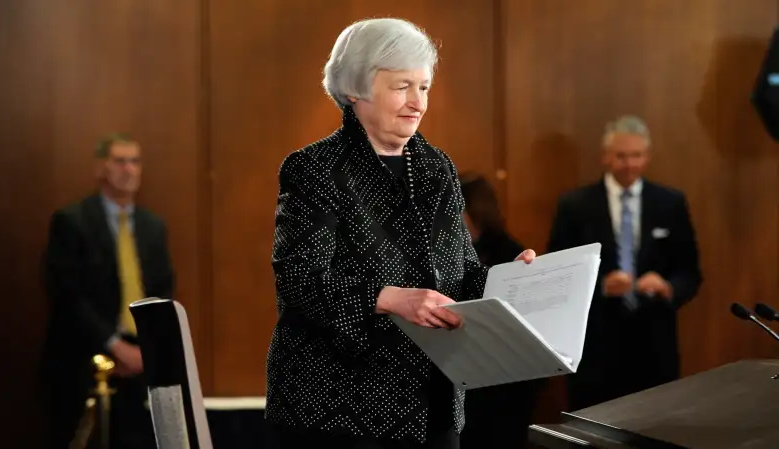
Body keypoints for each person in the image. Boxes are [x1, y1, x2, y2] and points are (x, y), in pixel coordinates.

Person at [266, 18, 536, 449]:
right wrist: (390, 297)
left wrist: (512, 280)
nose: (417, 103)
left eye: (424, 87)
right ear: (356, 88)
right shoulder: (313, 169)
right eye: (402, 87)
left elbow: (461, 273)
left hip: (436, 401)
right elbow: (299, 281)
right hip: (338, 409)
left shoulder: (437, 167)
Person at [547, 115, 702, 411]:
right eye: (621, 156)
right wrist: (601, 285)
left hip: (655, 346)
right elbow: (558, 273)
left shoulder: (670, 203)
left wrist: (668, 287)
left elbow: (691, 272)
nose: (629, 164)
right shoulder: (575, 205)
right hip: (596, 347)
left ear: (648, 156)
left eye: (637, 156)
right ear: (605, 156)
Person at [40, 133, 175, 449]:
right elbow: (67, 296)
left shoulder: (153, 226)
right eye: (120, 161)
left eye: (135, 161)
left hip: (142, 365)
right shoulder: (72, 222)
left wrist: (148, 349)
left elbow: (163, 290)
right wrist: (115, 346)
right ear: (101, 167)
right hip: (85, 362)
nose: (128, 169)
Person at [457, 173, 544, 449]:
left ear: (475, 212)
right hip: (465, 379)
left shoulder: (511, 254)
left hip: (504, 387)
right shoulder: (450, 252)